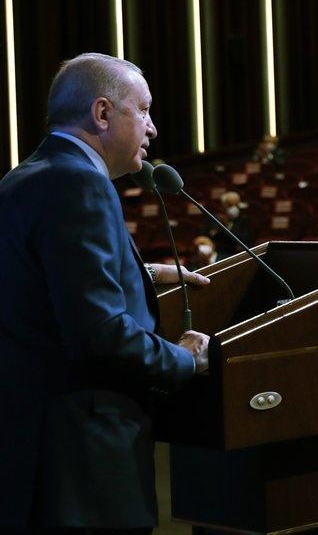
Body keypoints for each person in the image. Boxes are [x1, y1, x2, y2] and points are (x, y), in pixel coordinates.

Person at [0, 53, 211, 530]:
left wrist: (139, 272)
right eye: (144, 110)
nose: (152, 128)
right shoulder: (80, 183)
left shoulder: (26, 176)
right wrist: (184, 359)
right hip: (84, 468)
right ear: (102, 113)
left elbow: (38, 285)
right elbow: (99, 333)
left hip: (34, 455)